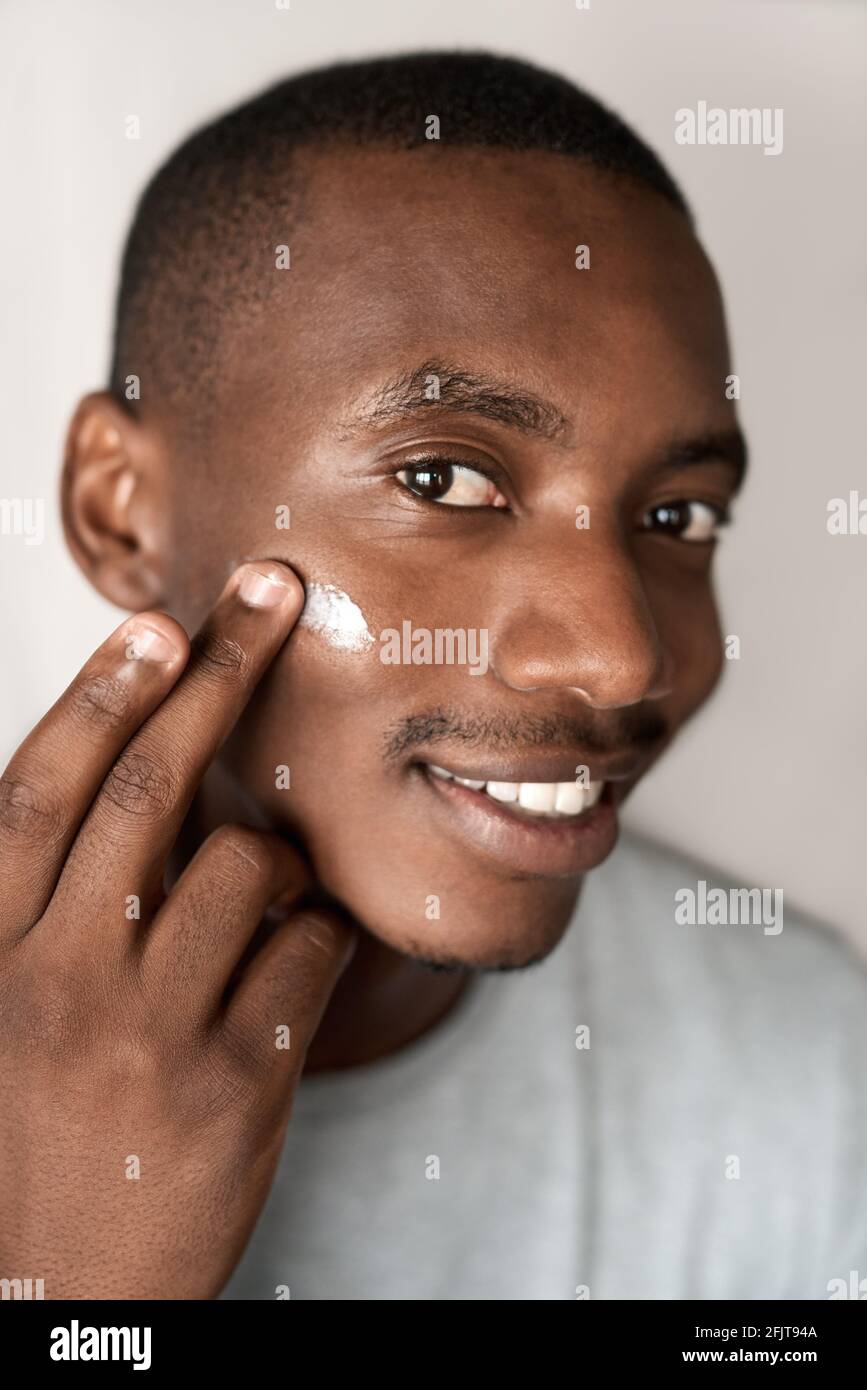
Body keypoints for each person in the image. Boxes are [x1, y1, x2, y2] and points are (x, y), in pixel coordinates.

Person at [2, 52, 864, 1301]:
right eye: (442, 480)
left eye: (679, 517)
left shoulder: (807, 1065)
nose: (624, 659)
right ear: (120, 509)